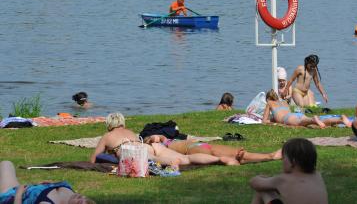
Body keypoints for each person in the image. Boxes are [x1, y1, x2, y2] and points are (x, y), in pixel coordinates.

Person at [90, 113, 237, 167]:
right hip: (150, 145)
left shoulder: (107, 136)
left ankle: (219, 161)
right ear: (122, 123)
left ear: (109, 125)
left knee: (174, 161)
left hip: (135, 150)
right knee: (186, 158)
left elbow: (94, 158)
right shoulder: (129, 132)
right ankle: (219, 159)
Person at [249, 138, 328, 204]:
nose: (282, 161)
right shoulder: (317, 176)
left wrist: (261, 177)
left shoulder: (283, 179)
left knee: (262, 190)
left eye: (283, 158)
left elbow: (255, 183)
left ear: (292, 162)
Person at [144, 134, 282, 164]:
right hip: (193, 148)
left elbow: (157, 137)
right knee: (234, 155)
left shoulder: (164, 142)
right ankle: (269, 156)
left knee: (237, 154)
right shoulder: (161, 146)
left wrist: (155, 138)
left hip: (195, 146)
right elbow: (154, 141)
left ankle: (269, 156)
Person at [0, 160, 94, 204]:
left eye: (79, 202)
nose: (82, 197)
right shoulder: (70, 196)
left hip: (11, 193)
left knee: (5, 164)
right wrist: (49, 185)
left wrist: (19, 195)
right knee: (6, 164)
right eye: (87, 200)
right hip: (27, 188)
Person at [263, 89, 351, 128]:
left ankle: (313, 119)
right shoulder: (284, 102)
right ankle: (340, 120)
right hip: (295, 114)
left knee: (304, 122)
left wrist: (271, 121)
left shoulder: (269, 103)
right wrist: (274, 119)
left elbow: (264, 121)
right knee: (318, 122)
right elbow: (283, 113)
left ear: (268, 99)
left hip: (288, 119)